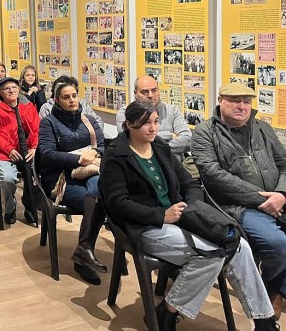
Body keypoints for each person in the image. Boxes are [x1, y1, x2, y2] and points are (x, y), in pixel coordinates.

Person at [101, 100, 277, 330]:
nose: (153, 128)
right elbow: (117, 204)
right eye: (145, 124)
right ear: (128, 125)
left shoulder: (160, 147)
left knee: (239, 244)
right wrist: (161, 215)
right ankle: (168, 311)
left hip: (180, 217)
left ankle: (263, 320)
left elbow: (189, 183)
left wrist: (191, 207)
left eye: (155, 122)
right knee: (214, 253)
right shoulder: (116, 156)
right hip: (145, 226)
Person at [192, 82, 286, 319]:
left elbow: (284, 164)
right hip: (234, 206)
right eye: (235, 100)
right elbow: (214, 176)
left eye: (246, 101)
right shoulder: (204, 133)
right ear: (220, 100)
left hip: (275, 199)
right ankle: (270, 291)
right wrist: (262, 200)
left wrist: (281, 195)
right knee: (278, 243)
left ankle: (275, 289)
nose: (242, 106)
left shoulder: (262, 128)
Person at [37, 78, 106, 284]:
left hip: (90, 172)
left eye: (74, 96)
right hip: (60, 177)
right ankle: (84, 257)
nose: (72, 100)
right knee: (93, 200)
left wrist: (93, 151)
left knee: (102, 196)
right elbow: (47, 154)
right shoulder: (49, 122)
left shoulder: (88, 120)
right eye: (66, 97)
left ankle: (83, 250)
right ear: (57, 100)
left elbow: (102, 145)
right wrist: (77, 159)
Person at [0, 77, 39, 224]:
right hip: (3, 152)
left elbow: (38, 128)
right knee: (8, 179)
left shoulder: (28, 106)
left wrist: (35, 147)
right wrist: (9, 149)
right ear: (0, 92)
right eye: (7, 89)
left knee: (40, 172)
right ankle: (10, 206)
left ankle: (30, 204)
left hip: (27, 150)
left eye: (14, 87)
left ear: (19, 89)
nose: (11, 91)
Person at [116, 75, 191, 159]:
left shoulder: (172, 111)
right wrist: (169, 135)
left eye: (154, 90)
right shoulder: (124, 113)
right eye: (145, 92)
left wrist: (149, 144)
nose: (150, 95)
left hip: (174, 166)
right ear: (135, 93)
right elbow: (129, 140)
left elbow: (187, 141)